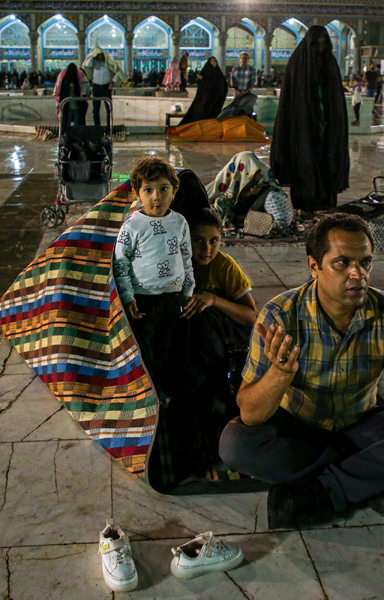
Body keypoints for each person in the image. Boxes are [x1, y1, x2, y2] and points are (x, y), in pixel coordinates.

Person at [219, 214, 384, 529]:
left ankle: (323, 491)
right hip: (298, 427)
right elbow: (251, 414)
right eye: (342, 263)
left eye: (365, 263)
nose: (357, 274)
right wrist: (279, 375)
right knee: (235, 444)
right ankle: (365, 478)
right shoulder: (279, 316)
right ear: (314, 266)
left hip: (360, 422)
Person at [113, 156, 195, 401]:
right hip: (143, 300)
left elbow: (186, 257)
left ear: (174, 191)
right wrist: (127, 296)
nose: (156, 197)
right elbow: (121, 263)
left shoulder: (179, 222)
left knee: (171, 347)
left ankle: (169, 395)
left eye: (163, 189)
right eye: (148, 190)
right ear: (137, 194)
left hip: (173, 298)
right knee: (146, 349)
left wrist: (188, 290)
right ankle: (150, 395)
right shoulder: (132, 225)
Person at [270, 25, 349, 213]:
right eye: (316, 44)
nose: (319, 49)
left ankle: (325, 203)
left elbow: (336, 99)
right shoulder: (298, 62)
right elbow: (289, 101)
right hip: (302, 125)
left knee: (326, 162)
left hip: (326, 127)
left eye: (323, 44)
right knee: (304, 162)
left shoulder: (329, 62)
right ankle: (303, 205)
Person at [181, 207, 257, 401]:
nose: (207, 249)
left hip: (224, 339)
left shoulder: (226, 267)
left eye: (214, 241)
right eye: (198, 240)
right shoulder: (175, 264)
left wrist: (214, 300)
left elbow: (251, 317)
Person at [178, 56, 228, 126]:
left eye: (215, 61)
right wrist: (202, 79)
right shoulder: (205, 72)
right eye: (212, 61)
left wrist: (203, 79)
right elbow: (203, 87)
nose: (214, 62)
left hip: (215, 101)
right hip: (205, 100)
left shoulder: (219, 74)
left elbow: (222, 86)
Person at [82, 48, 118, 126]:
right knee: (95, 110)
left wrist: (113, 81)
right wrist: (92, 55)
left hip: (106, 87)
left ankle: (109, 127)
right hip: (96, 87)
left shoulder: (109, 62)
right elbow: (87, 65)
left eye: (101, 56)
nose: (100, 57)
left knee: (109, 109)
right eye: (98, 56)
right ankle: (97, 127)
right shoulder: (94, 61)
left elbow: (117, 72)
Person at [218, 52, 257, 118]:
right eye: (242, 58)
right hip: (237, 93)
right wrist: (237, 91)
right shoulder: (235, 69)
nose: (244, 60)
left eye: (245, 58)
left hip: (247, 94)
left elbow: (253, 82)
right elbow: (233, 81)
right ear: (240, 59)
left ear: (248, 59)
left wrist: (245, 90)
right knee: (236, 110)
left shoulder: (252, 70)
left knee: (247, 110)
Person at [53, 63, 90, 128]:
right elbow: (86, 91)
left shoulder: (62, 76)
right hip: (76, 106)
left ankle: (67, 133)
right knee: (77, 124)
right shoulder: (81, 75)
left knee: (67, 123)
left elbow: (57, 92)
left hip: (67, 106)